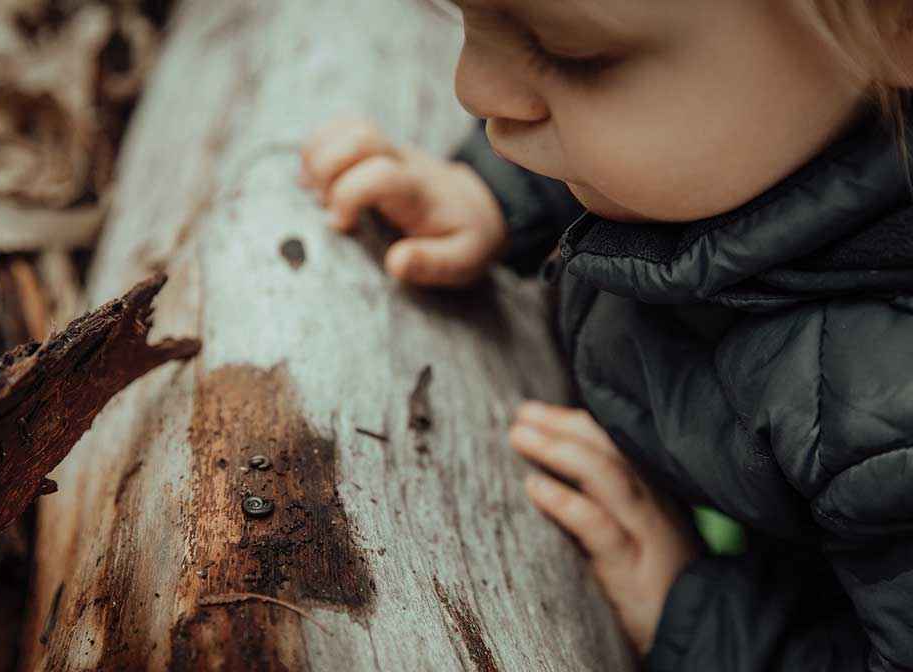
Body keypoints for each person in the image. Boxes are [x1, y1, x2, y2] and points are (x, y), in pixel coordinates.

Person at [296, 1, 913, 670]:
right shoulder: (776, 123)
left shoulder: (886, 412)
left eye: (573, 56)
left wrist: (708, 619)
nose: (471, 87)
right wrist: (491, 194)